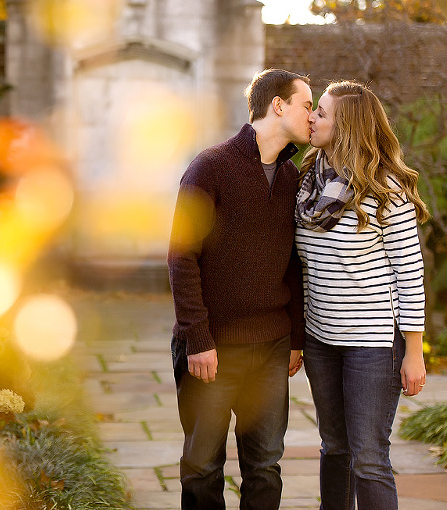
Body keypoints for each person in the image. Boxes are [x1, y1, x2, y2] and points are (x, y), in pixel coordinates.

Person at [168, 68, 310, 510]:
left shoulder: (292, 180)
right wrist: (198, 337)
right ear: (278, 105)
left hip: (271, 346)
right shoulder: (210, 167)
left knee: (266, 465)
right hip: (211, 348)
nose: (313, 115)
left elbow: (293, 265)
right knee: (203, 467)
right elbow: (181, 255)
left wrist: (296, 339)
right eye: (307, 104)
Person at [295, 81, 429, 509]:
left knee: (369, 458)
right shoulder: (306, 182)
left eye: (321, 112)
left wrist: (413, 351)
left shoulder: (386, 192)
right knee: (333, 447)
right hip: (320, 338)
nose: (311, 118)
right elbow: (300, 269)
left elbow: (410, 274)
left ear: (347, 127)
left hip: (372, 345)